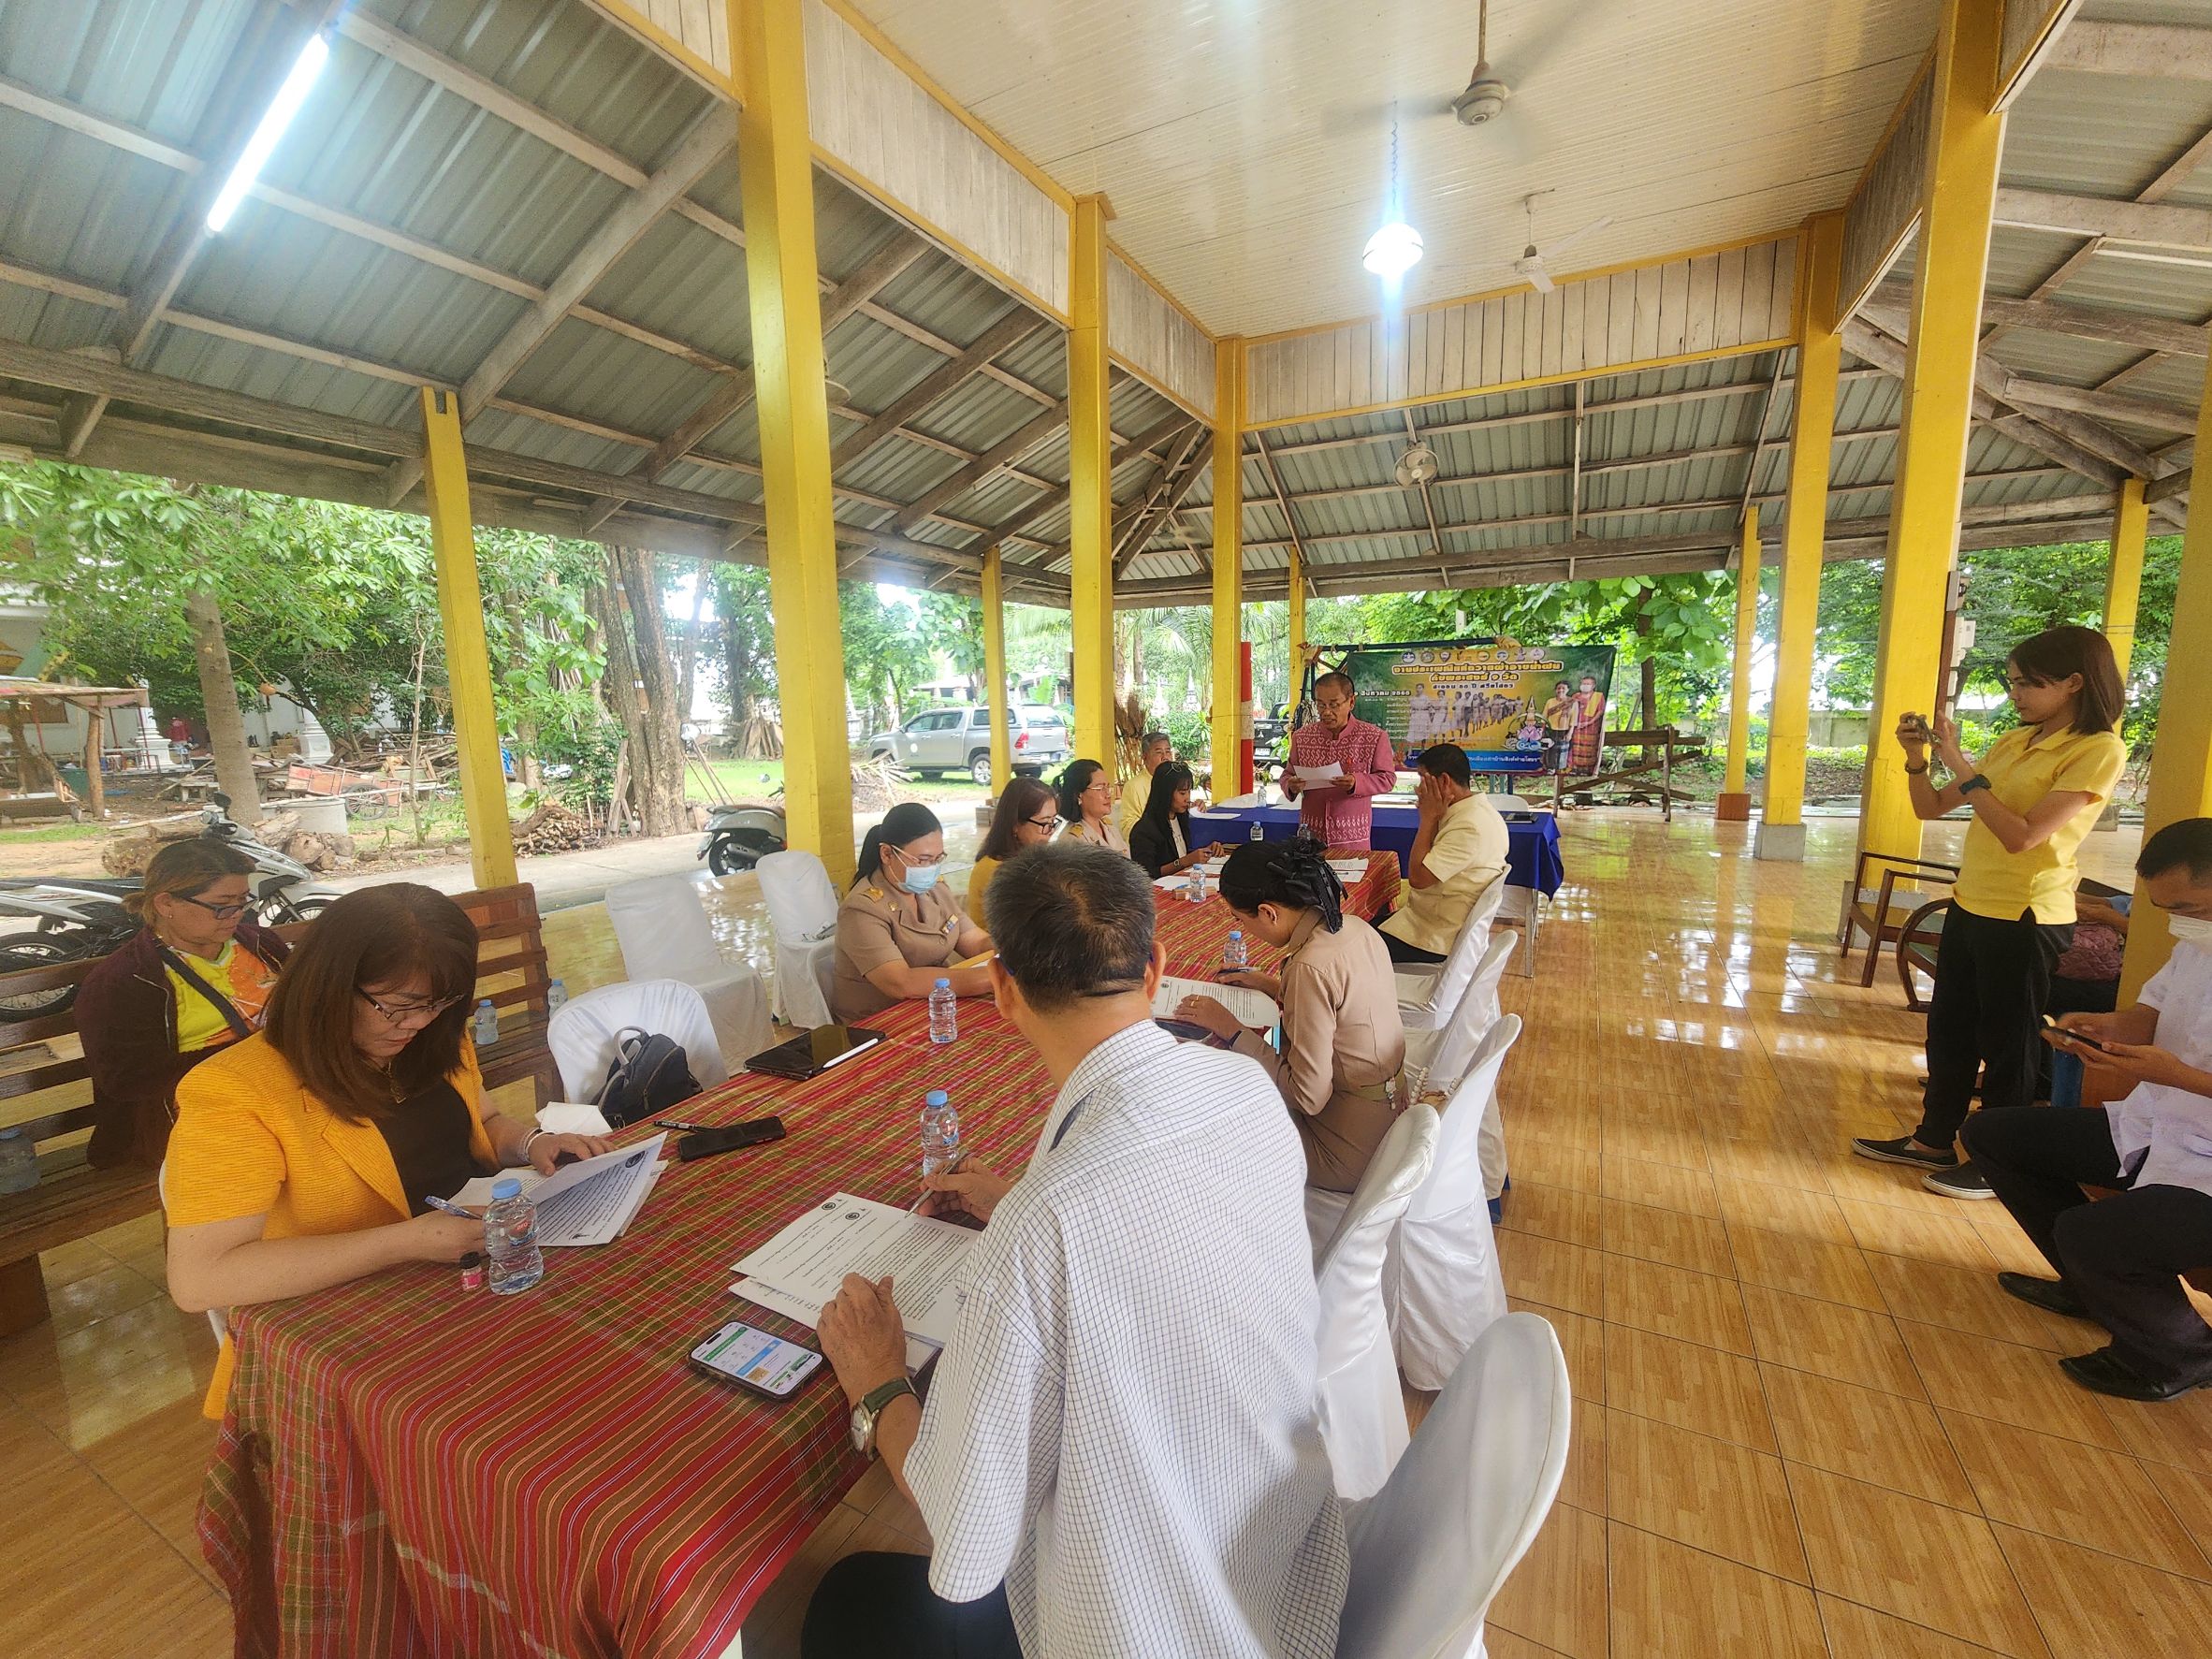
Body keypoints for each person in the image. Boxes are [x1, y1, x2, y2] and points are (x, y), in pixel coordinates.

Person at [802, 842, 1347, 1658]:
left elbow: (966, 1534)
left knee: (842, 1603)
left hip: (1147, 1628)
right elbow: (1157, 1209)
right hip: (1286, 1559)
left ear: (1006, 993)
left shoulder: (1044, 1226)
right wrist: (1021, 1195)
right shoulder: (1244, 1090)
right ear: (1157, 968)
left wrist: (877, 1381)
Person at [161, 884, 612, 1415]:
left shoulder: (432, 1033)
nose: (418, 1023)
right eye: (397, 1008)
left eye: (437, 1004)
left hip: (478, 1269)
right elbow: (200, 1279)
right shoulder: (237, 1092)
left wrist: (534, 1141)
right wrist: (406, 1242)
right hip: (360, 1320)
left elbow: (483, 1121)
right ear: (328, 986)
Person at [1854, 625, 2130, 1198]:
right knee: (1950, 1029)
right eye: (2012, 683)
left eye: (2030, 684)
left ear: (2075, 683)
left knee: (2010, 1042)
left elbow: (2023, 836)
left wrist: (1958, 759)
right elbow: (1931, 808)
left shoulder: (2097, 750)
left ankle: (1996, 1158)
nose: (2017, 695)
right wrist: (1918, 759)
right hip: (1972, 903)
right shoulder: (2014, 742)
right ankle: (1932, 1137)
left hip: (2027, 916)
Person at [1960, 817, 2212, 1402]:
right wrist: (2101, 1029)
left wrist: (2171, 1073)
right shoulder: (2198, 944)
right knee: (1995, 1134)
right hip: (2159, 1127)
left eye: (2190, 905)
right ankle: (2091, 1288)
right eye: (2162, 905)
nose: (2178, 918)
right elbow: (2151, 1012)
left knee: (2091, 1232)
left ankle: (2182, 1352)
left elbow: (2174, 1062)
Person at [1175, 839, 1408, 1191]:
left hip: (1345, 1148)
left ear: (1268, 912)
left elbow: (1307, 1097)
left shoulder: (1309, 968)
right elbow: (1340, 1007)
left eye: (1240, 920)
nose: (1245, 930)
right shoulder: (1353, 926)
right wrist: (1272, 986)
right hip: (1386, 1115)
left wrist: (1233, 1029)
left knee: (1206, 1124)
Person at [80, 841, 291, 1170]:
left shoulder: (262, 945)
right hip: (199, 1114)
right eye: (222, 905)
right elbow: (126, 1079)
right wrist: (253, 1057)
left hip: (281, 1091)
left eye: (243, 901)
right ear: (166, 904)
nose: (238, 915)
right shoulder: (124, 980)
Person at [832, 803, 995, 1023]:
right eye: (923, 860)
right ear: (887, 854)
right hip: (881, 1021)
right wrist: (990, 977)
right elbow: (901, 982)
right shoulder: (862, 909)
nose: (932, 868)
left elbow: (975, 942)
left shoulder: (935, 889)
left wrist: (1019, 953)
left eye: (938, 859)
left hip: (932, 1005)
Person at [1379, 741, 1510, 967]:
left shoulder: (1469, 827)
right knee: (1355, 927)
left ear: (1444, 781)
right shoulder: (1476, 811)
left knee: (1342, 947)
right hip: (1428, 923)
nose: (1418, 790)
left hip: (1433, 938)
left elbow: (1418, 879)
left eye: (1422, 779)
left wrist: (1427, 819)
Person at [1282, 671, 1396, 851]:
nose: (1326, 712)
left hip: (1352, 838)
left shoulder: (1373, 737)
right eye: (1320, 705)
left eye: (1334, 705)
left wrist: (1356, 782)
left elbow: (1388, 778)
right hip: (1310, 838)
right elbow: (1288, 774)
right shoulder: (1302, 737)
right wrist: (1291, 785)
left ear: (1351, 702)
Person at [968, 776, 1057, 918]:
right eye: (1045, 822)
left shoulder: (1032, 858)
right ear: (1015, 824)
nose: (1051, 831)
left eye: (1053, 821)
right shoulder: (993, 871)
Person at [1128, 760, 1228, 879]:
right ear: (1165, 793)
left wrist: (1208, 851)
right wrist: (1184, 862)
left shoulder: (1181, 818)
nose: (1187, 798)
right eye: (1182, 793)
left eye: (1189, 792)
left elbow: (1186, 853)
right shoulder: (1144, 831)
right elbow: (1146, 874)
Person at [1055, 757, 1128, 854]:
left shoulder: (1110, 828)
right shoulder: (1072, 840)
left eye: (1108, 787)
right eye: (1100, 788)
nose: (1108, 795)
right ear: (1079, 795)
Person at [1115, 731, 1173, 837]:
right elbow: (1127, 826)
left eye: (1168, 751)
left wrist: (1194, 807)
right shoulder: (1133, 786)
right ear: (1145, 757)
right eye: (1159, 752)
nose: (1165, 757)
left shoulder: (1175, 782)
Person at [1565, 674, 1607, 774]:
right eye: (1583, 683)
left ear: (1593, 686)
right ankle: (1573, 767)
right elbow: (1569, 709)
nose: (1585, 685)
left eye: (1588, 684)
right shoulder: (1576, 696)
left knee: (1589, 748)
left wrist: (1588, 722)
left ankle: (1588, 769)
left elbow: (1600, 712)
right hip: (1576, 726)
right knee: (1574, 747)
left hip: (1591, 727)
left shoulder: (1598, 696)